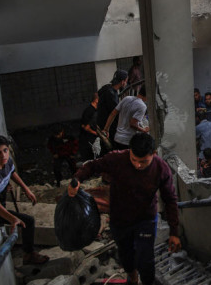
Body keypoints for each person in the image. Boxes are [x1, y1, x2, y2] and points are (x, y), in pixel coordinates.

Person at [70, 133, 181, 285]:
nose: (138, 165)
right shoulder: (117, 159)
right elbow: (93, 166)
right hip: (119, 218)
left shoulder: (161, 169)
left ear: (153, 154)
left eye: (143, 161)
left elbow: (170, 200)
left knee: (146, 258)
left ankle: (148, 281)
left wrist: (174, 232)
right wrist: (77, 179)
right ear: (129, 151)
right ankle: (133, 277)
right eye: (134, 160)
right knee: (126, 255)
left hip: (145, 219)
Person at [0, 135, 49, 265]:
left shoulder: (7, 161)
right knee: (27, 221)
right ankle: (28, 254)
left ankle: (7, 256)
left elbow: (12, 173)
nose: (3, 155)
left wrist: (26, 189)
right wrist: (13, 219)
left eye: (5, 150)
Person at [97, 70, 128, 154]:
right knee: (111, 150)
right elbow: (114, 112)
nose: (126, 83)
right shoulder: (110, 94)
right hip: (108, 127)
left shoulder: (108, 88)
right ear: (122, 81)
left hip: (103, 124)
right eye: (126, 81)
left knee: (106, 150)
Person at [79, 93, 99, 161]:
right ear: (96, 100)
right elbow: (85, 127)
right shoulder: (89, 111)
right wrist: (95, 133)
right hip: (89, 139)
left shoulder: (94, 110)